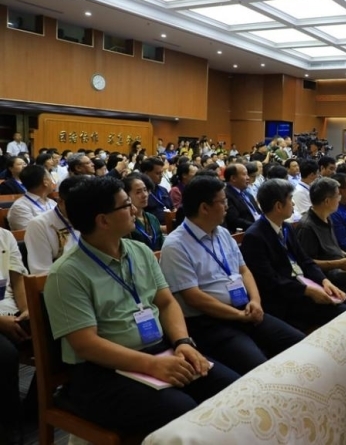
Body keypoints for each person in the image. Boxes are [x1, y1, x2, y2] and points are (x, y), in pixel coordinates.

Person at [43, 176, 239, 435]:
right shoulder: (67, 273)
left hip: (158, 350)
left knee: (231, 388)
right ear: (103, 220)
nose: (135, 210)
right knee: (182, 411)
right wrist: (151, 365)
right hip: (101, 371)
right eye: (126, 205)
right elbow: (85, 344)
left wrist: (182, 342)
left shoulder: (140, 251)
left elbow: (166, 302)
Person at [160, 176, 304, 375]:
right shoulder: (176, 245)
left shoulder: (222, 233)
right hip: (210, 322)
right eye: (223, 201)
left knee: (300, 344)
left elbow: (243, 270)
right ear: (204, 208)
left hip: (245, 310)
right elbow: (193, 297)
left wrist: (255, 301)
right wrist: (238, 315)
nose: (227, 206)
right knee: (261, 368)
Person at [241, 179, 346, 331]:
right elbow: (270, 281)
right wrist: (308, 291)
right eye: (290, 199)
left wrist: (324, 281)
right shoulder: (254, 236)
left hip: (303, 285)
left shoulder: (286, 227)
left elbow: (305, 260)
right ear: (278, 206)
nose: (293, 204)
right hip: (285, 298)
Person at [0, 226, 30, 443]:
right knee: (5, 355)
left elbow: (17, 280)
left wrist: (27, 309)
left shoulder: (4, 235)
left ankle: (34, 407)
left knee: (59, 333)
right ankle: (8, 424)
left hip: (11, 309)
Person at [25, 176, 85, 274]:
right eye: (78, 206)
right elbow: (41, 271)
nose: (84, 211)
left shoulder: (95, 217)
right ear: (60, 202)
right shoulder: (39, 225)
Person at [8, 165, 57, 230]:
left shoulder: (52, 202)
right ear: (45, 182)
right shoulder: (20, 207)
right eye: (50, 177)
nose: (52, 181)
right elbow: (30, 233)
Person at [123, 174, 164, 251]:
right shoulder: (126, 222)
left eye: (145, 190)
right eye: (138, 192)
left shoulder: (152, 218)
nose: (144, 195)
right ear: (126, 196)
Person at [224, 163, 262, 232]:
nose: (248, 178)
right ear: (233, 178)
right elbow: (234, 221)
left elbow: (258, 212)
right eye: (244, 174)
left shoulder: (247, 193)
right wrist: (258, 226)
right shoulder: (226, 195)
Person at [141, 156, 174, 224]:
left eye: (162, 173)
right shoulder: (140, 193)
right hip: (153, 227)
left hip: (170, 223)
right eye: (158, 173)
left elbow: (172, 208)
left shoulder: (163, 190)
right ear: (146, 174)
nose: (161, 176)